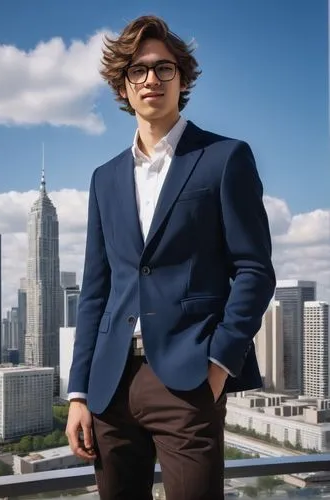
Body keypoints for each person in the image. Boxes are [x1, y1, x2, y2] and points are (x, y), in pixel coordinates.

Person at [66, 15, 276, 500]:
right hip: (110, 387)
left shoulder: (225, 158)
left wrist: (219, 365)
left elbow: (255, 270)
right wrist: (79, 394)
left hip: (188, 381)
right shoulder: (105, 178)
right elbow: (96, 290)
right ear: (123, 85)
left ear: (182, 78)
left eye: (163, 68)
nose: (151, 80)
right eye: (138, 71)